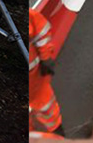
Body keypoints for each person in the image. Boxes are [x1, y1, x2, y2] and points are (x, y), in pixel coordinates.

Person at [29, 7, 63, 135]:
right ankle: (56, 130)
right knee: (45, 102)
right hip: (33, 78)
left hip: (34, 77)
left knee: (44, 102)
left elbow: (40, 30)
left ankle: (57, 129)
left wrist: (46, 58)